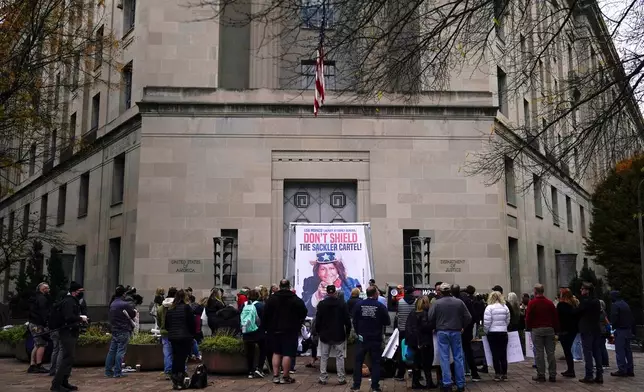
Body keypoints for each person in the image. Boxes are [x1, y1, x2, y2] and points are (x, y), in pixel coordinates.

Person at [427, 283, 471, 392]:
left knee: (444, 358)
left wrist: (436, 324)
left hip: (442, 331)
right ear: (450, 291)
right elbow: (468, 317)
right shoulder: (458, 302)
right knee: (458, 357)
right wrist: (462, 326)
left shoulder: (437, 303)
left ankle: (447, 383)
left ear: (441, 292)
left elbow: (430, 317)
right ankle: (460, 384)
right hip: (456, 330)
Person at [264, 279, 307, 384]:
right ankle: (285, 376)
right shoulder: (295, 299)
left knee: (276, 352)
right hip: (290, 330)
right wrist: (298, 322)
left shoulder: (272, 299)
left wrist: (267, 326)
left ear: (279, 286)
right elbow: (303, 312)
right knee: (287, 353)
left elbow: (265, 314)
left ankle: (275, 376)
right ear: (288, 286)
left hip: (274, 330)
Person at [351, 285, 390, 392]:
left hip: (362, 338)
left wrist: (359, 332)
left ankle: (356, 386)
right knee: (376, 362)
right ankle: (375, 386)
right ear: (375, 294)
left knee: (358, 362)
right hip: (375, 338)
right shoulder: (380, 306)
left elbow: (354, 320)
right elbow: (387, 321)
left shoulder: (359, 305)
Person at [50, 281, 88, 392]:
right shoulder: (69, 302)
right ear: (75, 292)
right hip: (67, 332)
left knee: (70, 358)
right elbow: (68, 317)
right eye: (81, 291)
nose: (82, 293)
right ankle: (56, 384)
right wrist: (81, 318)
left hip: (70, 331)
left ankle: (64, 382)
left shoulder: (72, 301)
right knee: (67, 358)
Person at [316, 285, 351, 385]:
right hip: (338, 333)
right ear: (335, 292)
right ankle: (341, 378)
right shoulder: (342, 304)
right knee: (339, 356)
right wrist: (347, 331)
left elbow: (318, 320)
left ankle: (323, 378)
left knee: (324, 356)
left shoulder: (322, 304)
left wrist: (318, 331)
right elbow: (347, 320)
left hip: (325, 334)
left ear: (327, 293)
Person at [525, 283, 559, 383]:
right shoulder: (549, 303)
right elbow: (555, 317)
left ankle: (541, 374)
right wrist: (556, 330)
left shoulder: (532, 303)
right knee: (551, 353)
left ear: (535, 291)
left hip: (537, 329)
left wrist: (528, 327)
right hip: (549, 329)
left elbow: (528, 317)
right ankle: (552, 375)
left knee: (539, 353)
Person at [165, 289, 196, 390]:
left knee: (176, 358)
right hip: (185, 337)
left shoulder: (170, 309)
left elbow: (166, 325)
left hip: (173, 337)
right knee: (181, 359)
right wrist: (192, 334)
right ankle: (179, 379)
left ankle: (176, 379)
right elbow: (192, 323)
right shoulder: (187, 308)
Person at [105, 285, 136, 378]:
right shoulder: (124, 304)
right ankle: (117, 372)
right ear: (124, 294)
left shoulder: (113, 303)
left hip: (115, 329)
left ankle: (108, 371)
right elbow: (133, 313)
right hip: (123, 329)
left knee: (112, 351)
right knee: (121, 351)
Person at [405, 296, 436, 389]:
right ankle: (429, 382)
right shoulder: (425, 314)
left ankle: (415, 382)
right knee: (427, 363)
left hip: (413, 341)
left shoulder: (412, 313)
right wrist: (434, 324)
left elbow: (408, 327)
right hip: (424, 341)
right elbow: (425, 327)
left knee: (416, 362)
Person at [576, 282, 604, 384]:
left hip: (587, 329)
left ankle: (589, 375)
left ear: (587, 290)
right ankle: (599, 375)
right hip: (595, 328)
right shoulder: (596, 301)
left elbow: (577, 312)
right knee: (597, 352)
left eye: (582, 289)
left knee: (587, 352)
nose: (581, 290)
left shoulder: (585, 301)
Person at [483, 291, 510, 381]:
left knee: (495, 354)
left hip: (492, 333)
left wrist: (486, 331)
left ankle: (497, 374)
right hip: (503, 332)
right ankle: (505, 374)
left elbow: (487, 322)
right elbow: (508, 320)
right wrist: (504, 327)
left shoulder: (489, 308)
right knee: (503, 354)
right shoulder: (505, 307)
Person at [242, 289, 267, 379]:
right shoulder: (261, 306)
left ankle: (250, 371)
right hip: (259, 332)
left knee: (249, 352)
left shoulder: (244, 305)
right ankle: (259, 368)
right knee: (263, 349)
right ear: (258, 296)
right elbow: (265, 319)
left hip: (247, 332)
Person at [609, 290, 635, 377]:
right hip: (628, 329)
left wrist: (613, 328)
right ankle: (630, 369)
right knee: (628, 350)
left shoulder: (615, 305)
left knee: (620, 350)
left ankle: (622, 370)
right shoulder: (625, 304)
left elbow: (614, 318)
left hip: (620, 330)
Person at [458, 285, 481, 382]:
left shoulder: (459, 301)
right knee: (468, 351)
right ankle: (473, 373)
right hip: (467, 330)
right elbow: (473, 317)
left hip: (458, 329)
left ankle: (460, 373)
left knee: (457, 352)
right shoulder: (470, 301)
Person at [28, 282, 51, 374]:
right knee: (42, 344)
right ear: (43, 289)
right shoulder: (42, 299)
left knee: (37, 344)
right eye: (47, 288)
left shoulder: (34, 298)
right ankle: (38, 365)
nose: (49, 290)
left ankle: (32, 364)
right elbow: (43, 312)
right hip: (38, 324)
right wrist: (46, 323)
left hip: (32, 323)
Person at [394, 287, 416, 381]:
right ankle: (415, 373)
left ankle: (401, 374)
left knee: (402, 352)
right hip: (413, 330)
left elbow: (398, 315)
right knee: (415, 352)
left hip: (402, 330)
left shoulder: (400, 302)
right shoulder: (416, 302)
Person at [557, 288, 579, 378]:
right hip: (573, 330)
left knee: (567, 351)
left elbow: (558, 317)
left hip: (564, 330)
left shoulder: (561, 305)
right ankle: (570, 369)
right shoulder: (573, 304)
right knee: (568, 350)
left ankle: (571, 370)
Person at [158, 286, 177, 379]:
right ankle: (179, 370)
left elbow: (158, 321)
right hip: (175, 331)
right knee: (177, 352)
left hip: (165, 332)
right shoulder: (176, 306)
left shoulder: (161, 308)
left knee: (167, 353)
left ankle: (168, 370)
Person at [599, 300, 610, 368]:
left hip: (601, 331)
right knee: (602, 347)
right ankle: (604, 362)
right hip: (603, 331)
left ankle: (604, 363)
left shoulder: (601, 312)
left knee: (601, 347)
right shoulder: (603, 312)